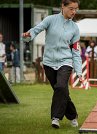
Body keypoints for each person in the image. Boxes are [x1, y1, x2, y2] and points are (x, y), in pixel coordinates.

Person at [22, 0, 82, 129]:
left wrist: (79, 70)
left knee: (61, 86)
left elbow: (75, 51)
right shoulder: (50, 19)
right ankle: (73, 116)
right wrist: (28, 36)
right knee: (61, 91)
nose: (74, 12)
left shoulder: (74, 28)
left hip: (66, 62)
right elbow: (36, 30)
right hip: (49, 62)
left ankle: (55, 118)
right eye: (71, 8)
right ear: (63, 6)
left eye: (76, 9)